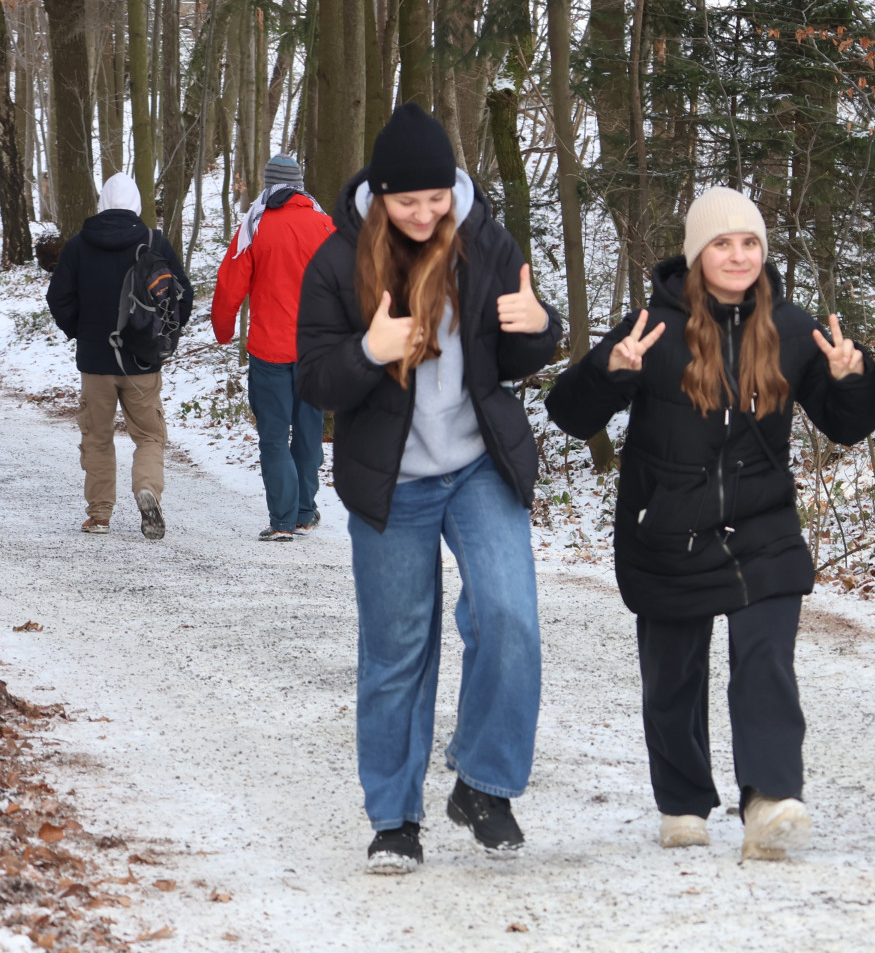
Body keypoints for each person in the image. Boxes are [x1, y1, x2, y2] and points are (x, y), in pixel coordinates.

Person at [545, 186, 875, 861]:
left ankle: (771, 800)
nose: (738, 256)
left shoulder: (793, 329)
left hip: (762, 524)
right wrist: (609, 371)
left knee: (766, 660)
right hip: (667, 525)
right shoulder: (652, 327)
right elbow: (570, 414)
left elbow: (849, 426)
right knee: (673, 674)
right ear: (697, 254)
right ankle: (682, 802)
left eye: (750, 242)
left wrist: (853, 378)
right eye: (722, 243)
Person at [296, 104, 562, 875]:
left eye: (435, 198)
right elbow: (313, 379)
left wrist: (540, 327)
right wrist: (370, 351)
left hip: (479, 467)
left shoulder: (485, 240)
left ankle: (483, 784)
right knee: (397, 650)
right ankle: (394, 819)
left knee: (510, 616)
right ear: (380, 195)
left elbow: (517, 352)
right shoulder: (336, 260)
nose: (423, 214)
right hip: (392, 482)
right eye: (406, 201)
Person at [46, 173, 194, 540]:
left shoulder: (78, 245)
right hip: (142, 360)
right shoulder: (154, 241)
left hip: (95, 361)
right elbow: (183, 296)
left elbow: (58, 297)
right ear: (137, 204)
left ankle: (99, 515)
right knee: (149, 436)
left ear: (102, 203)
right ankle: (147, 489)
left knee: (96, 437)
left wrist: (80, 331)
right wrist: (163, 338)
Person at [212, 154, 337, 541]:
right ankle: (303, 513)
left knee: (273, 436)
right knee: (308, 432)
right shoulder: (326, 225)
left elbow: (230, 283)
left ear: (268, 185)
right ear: (299, 185)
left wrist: (223, 329)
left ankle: (283, 520)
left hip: (270, 349)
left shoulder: (255, 225)